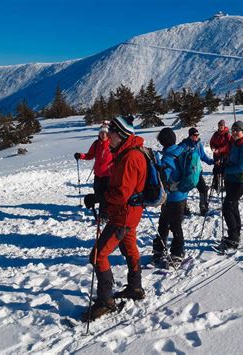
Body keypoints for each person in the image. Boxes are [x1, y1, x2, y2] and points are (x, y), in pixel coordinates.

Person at [82, 115, 147, 321]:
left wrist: (100, 198)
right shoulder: (126, 152)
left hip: (124, 215)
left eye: (111, 132)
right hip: (129, 213)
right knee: (129, 248)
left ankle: (106, 301)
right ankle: (135, 288)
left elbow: (121, 194)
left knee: (98, 255)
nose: (107, 136)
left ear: (120, 134)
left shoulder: (130, 157)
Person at [152, 127, 188, 267]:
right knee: (167, 223)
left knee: (172, 225)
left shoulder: (167, 158)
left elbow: (163, 180)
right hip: (182, 195)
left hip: (172, 197)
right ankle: (161, 249)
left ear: (162, 142)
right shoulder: (181, 151)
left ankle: (177, 253)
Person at [215, 121, 243, 252]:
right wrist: (221, 165)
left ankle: (233, 238)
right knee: (233, 206)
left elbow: (242, 167)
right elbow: (230, 160)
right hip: (230, 181)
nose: (235, 132)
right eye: (233, 130)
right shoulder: (234, 145)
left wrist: (225, 170)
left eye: (237, 130)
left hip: (240, 182)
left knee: (227, 208)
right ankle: (236, 234)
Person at [74, 124, 112, 221]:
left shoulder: (112, 143)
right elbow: (90, 155)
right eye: (101, 133)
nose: (103, 135)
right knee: (98, 195)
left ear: (108, 134)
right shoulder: (96, 144)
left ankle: (105, 215)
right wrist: (81, 155)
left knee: (106, 196)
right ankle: (102, 213)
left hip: (109, 174)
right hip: (98, 174)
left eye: (105, 133)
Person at [179, 127, 214, 216]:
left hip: (197, 172)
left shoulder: (198, 145)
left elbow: (203, 156)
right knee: (185, 190)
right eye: (195, 135)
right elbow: (177, 157)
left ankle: (203, 207)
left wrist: (211, 162)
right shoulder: (184, 145)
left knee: (203, 189)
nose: (196, 137)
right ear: (190, 136)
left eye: (197, 135)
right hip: (186, 173)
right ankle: (184, 208)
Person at [209, 119, 232, 192]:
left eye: (222, 125)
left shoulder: (227, 134)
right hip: (216, 154)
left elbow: (228, 146)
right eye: (219, 125)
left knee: (223, 170)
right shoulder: (216, 134)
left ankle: (225, 185)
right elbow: (211, 142)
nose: (220, 126)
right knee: (216, 169)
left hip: (224, 155)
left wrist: (219, 150)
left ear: (224, 126)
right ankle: (215, 184)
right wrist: (212, 147)